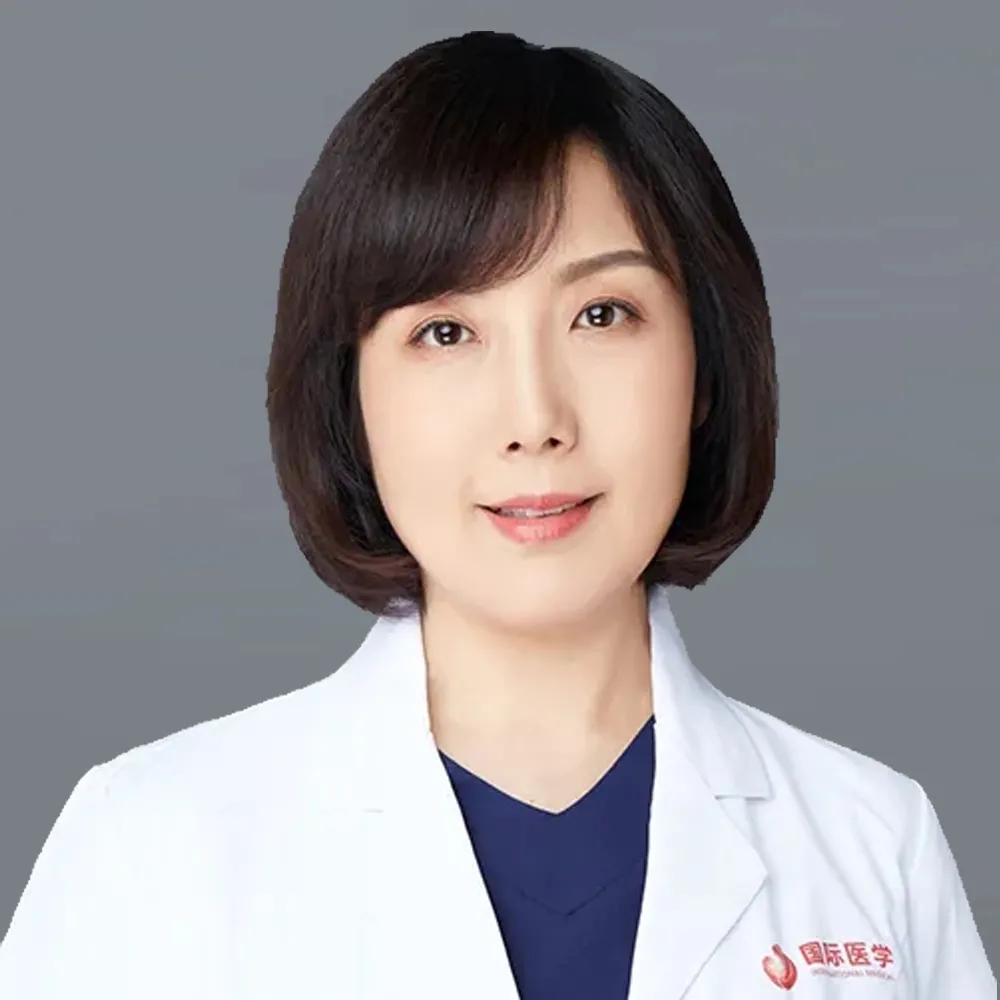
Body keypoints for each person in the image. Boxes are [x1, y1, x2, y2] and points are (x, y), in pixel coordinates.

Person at [0, 29, 993, 1000]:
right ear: (351, 396)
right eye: (445, 332)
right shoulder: (149, 849)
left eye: (601, 315)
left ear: (704, 366)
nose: (534, 419)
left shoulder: (872, 844)